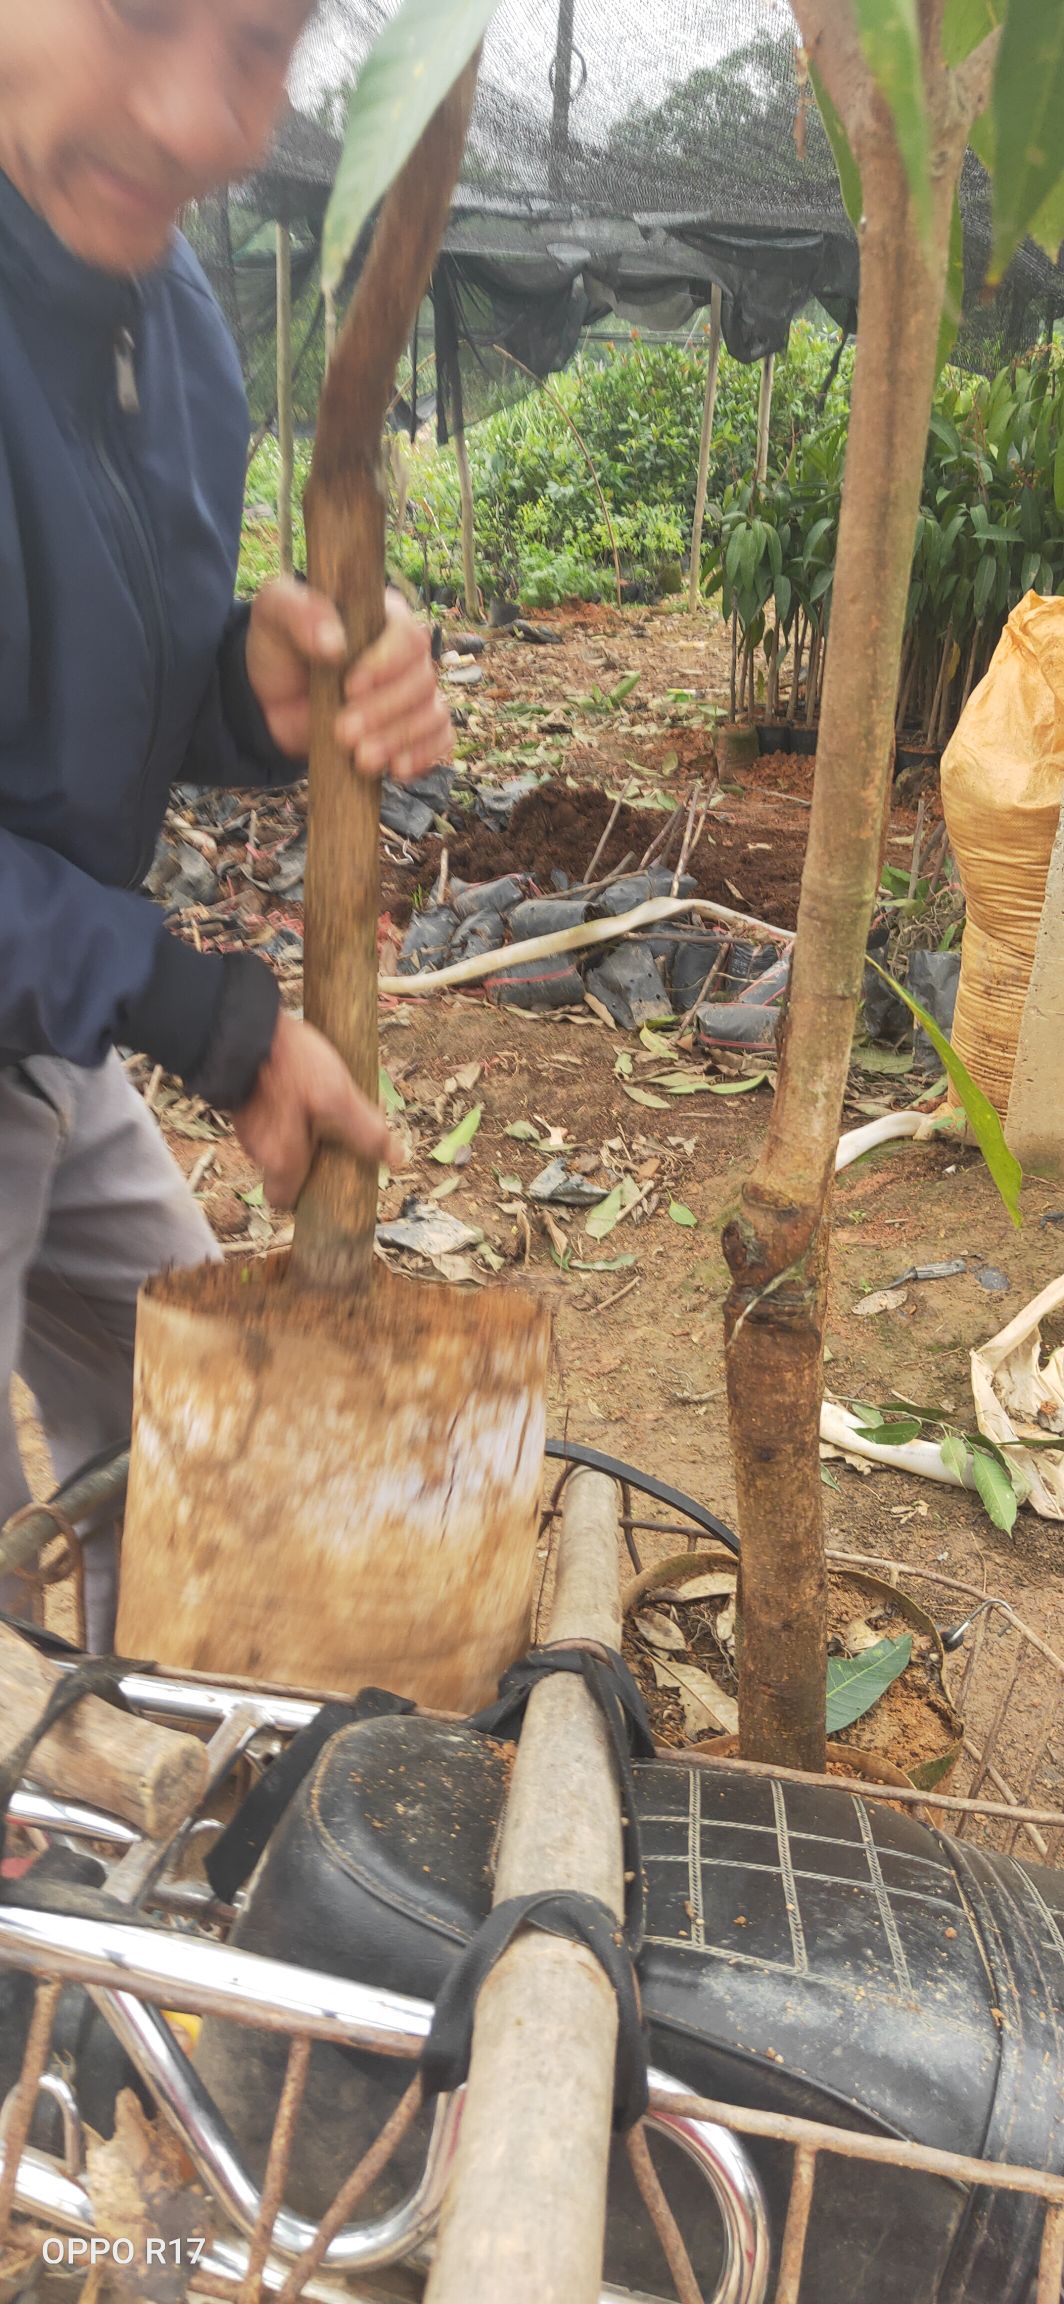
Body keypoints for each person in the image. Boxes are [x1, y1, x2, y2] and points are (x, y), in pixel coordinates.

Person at [0, 0, 452, 1643]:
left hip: (42, 1023)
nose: (202, 120)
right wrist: (203, 1011)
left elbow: (78, 700)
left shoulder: (167, 317)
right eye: (137, 10)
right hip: (65, 987)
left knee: (194, 1444)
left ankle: (148, 1767)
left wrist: (247, 696)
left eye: (263, 41)